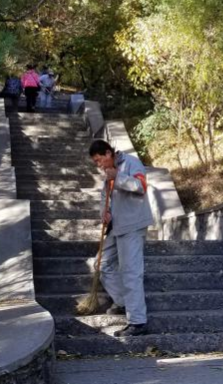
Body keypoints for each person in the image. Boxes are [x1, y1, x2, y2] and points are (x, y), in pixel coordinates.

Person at [89, 139, 153, 337]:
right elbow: (104, 197)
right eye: (96, 163)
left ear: (109, 153)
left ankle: (138, 321)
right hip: (116, 227)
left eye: (100, 160)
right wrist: (104, 212)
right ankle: (125, 301)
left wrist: (118, 177)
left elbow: (141, 186)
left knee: (131, 271)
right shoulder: (108, 174)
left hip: (133, 225)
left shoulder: (131, 163)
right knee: (101, 264)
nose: (99, 165)